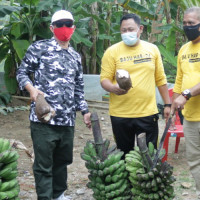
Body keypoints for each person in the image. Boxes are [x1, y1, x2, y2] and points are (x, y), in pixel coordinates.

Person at [16, 10, 91, 200]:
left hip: (67, 120)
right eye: (60, 24)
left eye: (68, 24)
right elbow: (22, 73)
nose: (64, 28)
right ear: (52, 28)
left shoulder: (75, 56)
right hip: (44, 119)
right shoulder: (39, 48)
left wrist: (85, 111)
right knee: (43, 164)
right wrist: (31, 90)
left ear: (73, 28)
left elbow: (78, 88)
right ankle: (46, 197)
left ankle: (58, 195)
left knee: (62, 161)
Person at [100, 13, 171, 156]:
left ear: (140, 29)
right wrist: (113, 88)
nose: (127, 33)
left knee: (148, 156)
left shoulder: (152, 49)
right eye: (124, 30)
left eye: (131, 29)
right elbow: (104, 79)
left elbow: (160, 79)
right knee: (124, 156)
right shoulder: (112, 51)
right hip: (120, 114)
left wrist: (167, 104)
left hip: (147, 113)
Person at [171, 7, 200, 199]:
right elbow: (179, 82)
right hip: (190, 117)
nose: (188, 27)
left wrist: (187, 94)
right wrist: (173, 106)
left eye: (192, 23)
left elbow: (186, 90)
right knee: (194, 160)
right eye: (185, 24)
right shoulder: (184, 49)